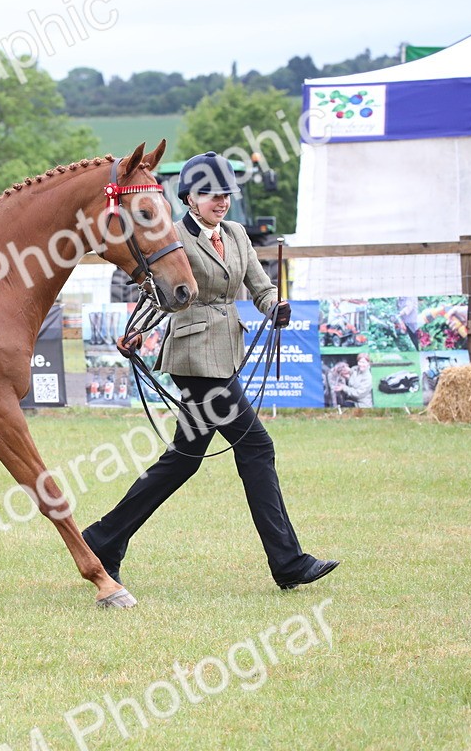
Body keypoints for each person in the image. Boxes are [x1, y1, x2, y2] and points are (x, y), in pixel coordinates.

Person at [83, 151, 339, 591]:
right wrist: (136, 332)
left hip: (226, 353)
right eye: (210, 194)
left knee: (183, 461)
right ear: (189, 198)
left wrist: (274, 305)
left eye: (225, 194)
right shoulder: (175, 235)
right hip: (193, 357)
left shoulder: (238, 233)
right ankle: (289, 562)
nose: (220, 201)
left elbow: (259, 286)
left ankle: (103, 539)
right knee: (257, 446)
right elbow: (159, 289)